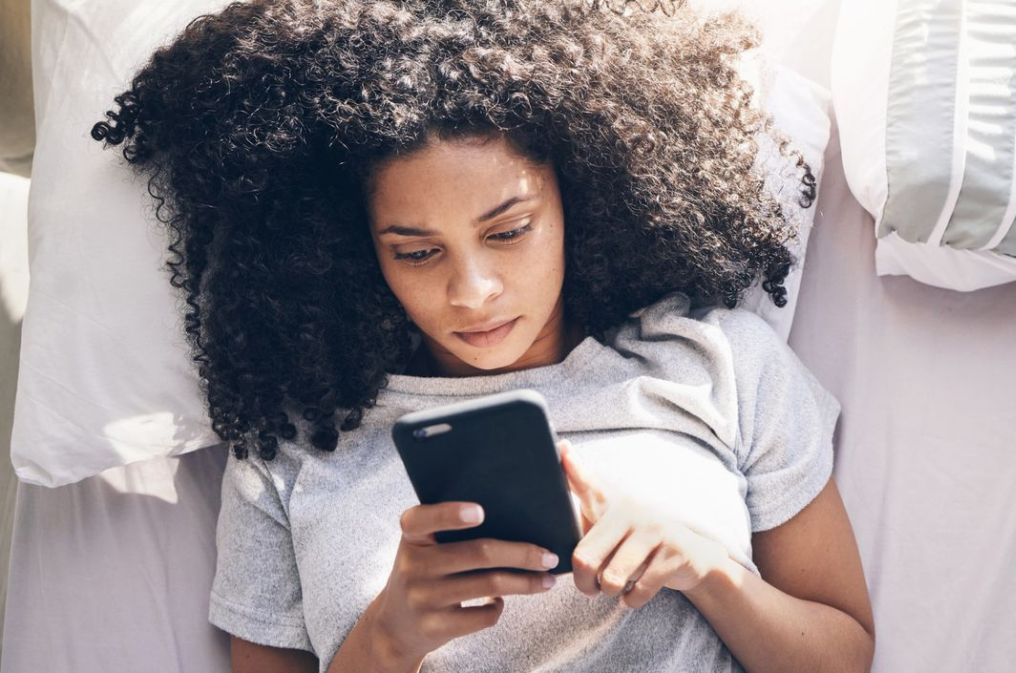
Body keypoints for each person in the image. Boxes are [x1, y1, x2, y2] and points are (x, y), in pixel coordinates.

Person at [92, 1, 874, 671]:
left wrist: (704, 568)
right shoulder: (294, 449)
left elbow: (844, 653)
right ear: (352, 247)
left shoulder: (720, 362)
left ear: (584, 192)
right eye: (418, 251)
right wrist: (387, 637)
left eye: (509, 232)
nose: (472, 292)